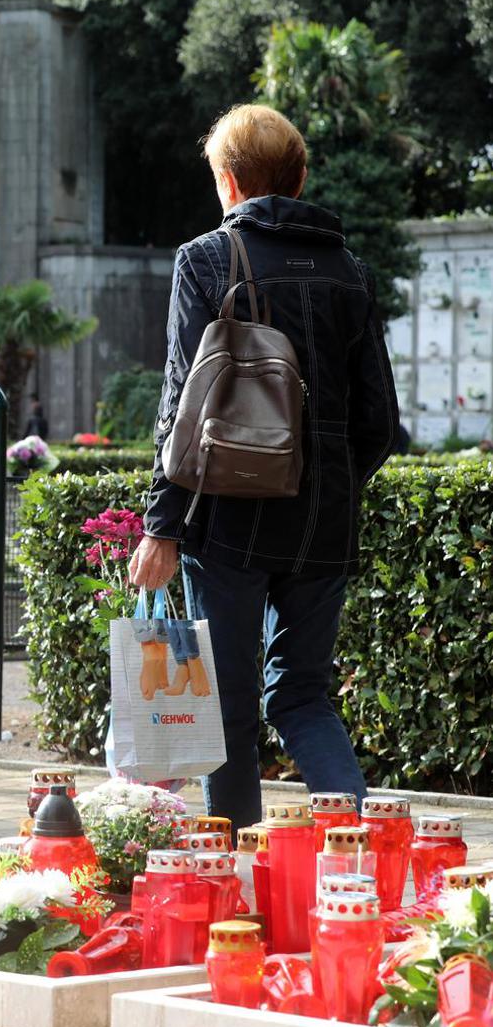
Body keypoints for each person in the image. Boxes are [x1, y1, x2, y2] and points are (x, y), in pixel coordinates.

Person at [129, 104, 397, 832]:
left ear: (228, 181)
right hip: (325, 525)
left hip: (229, 518)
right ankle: (353, 846)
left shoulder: (208, 259)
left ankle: (237, 878)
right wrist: (325, 483)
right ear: (300, 177)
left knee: (225, 705)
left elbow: (181, 404)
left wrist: (162, 525)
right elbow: (379, 419)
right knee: (305, 694)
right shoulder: (351, 269)